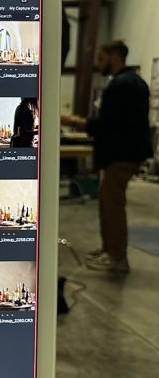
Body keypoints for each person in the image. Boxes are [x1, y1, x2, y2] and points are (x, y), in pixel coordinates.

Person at [61, 40, 151, 273]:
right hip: (123, 152)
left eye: (101, 58)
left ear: (115, 57)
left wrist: (73, 121)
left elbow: (106, 125)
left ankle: (117, 258)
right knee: (106, 202)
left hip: (121, 155)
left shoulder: (121, 85)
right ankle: (109, 248)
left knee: (112, 205)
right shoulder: (132, 82)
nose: (98, 63)